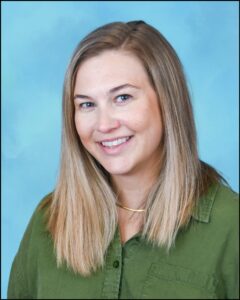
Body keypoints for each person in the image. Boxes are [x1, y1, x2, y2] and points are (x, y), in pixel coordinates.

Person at [8, 20, 239, 299]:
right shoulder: (48, 221)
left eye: (122, 97)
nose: (104, 125)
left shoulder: (231, 227)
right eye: (87, 104)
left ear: (168, 101)